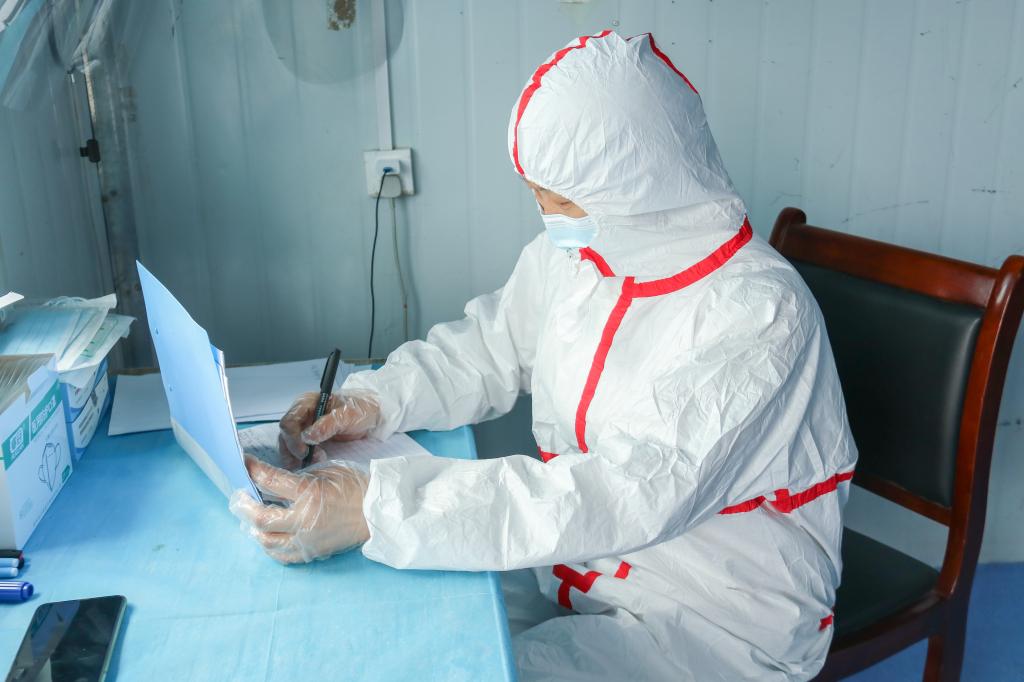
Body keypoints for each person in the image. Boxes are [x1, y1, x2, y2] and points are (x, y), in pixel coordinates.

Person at [230, 31, 858, 681]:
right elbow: (489, 346)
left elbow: (625, 489)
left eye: (561, 198)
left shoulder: (759, 317)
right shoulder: (584, 257)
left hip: (706, 623)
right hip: (577, 568)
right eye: (538, 192)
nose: (546, 213)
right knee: (400, 631)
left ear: (638, 189)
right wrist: (374, 399)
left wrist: (377, 506)